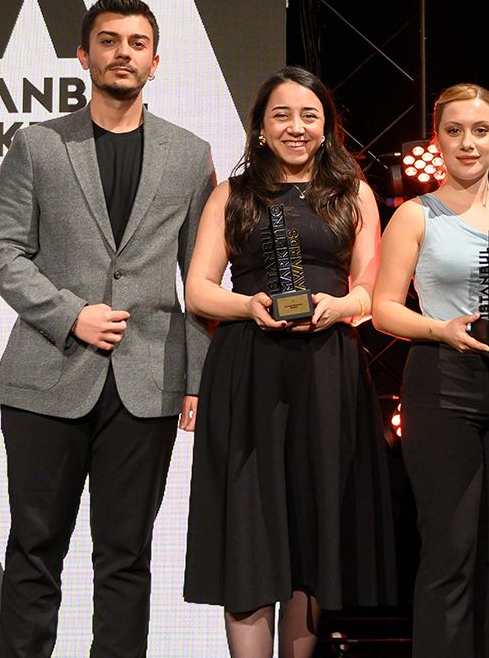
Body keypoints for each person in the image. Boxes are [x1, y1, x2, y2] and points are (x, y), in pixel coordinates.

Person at [0, 0, 213, 657]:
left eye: (137, 43)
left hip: (148, 380)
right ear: (84, 56)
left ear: (155, 61)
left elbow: (199, 276)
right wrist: (69, 314)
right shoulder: (39, 144)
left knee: (126, 556)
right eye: (109, 41)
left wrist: (196, 377)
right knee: (35, 548)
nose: (123, 53)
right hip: (46, 376)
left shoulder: (188, 154)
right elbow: (2, 251)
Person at [181, 65, 397, 658]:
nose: (295, 127)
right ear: (260, 127)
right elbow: (198, 290)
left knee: (313, 529)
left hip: (327, 371)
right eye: (281, 115)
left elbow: (371, 290)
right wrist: (247, 306)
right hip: (246, 371)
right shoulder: (233, 195)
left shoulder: (353, 193)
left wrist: (341, 306)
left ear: (326, 128)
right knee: (248, 526)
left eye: (309, 115)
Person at [372, 83, 489, 658]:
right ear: (438, 140)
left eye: (480, 130)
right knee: (450, 551)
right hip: (441, 386)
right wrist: (442, 329)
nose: (467, 142)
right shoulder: (415, 215)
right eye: (454, 131)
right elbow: (383, 309)